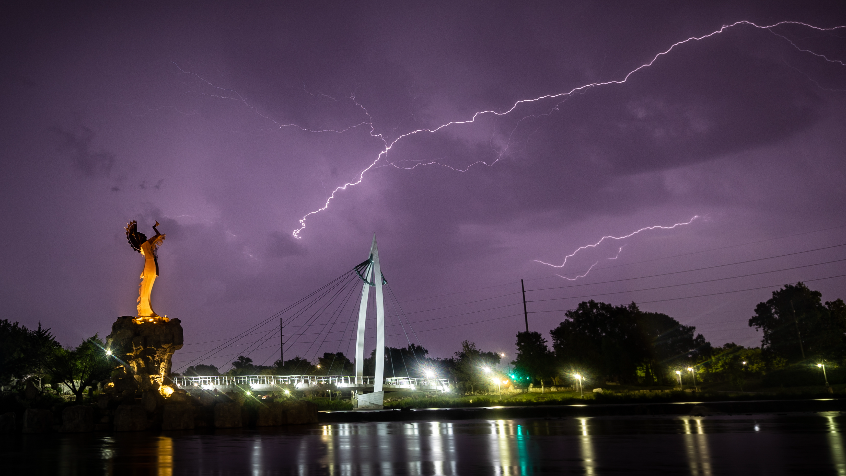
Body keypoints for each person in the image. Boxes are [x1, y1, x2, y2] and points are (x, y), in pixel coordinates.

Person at [126, 220, 167, 320]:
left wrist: (154, 228)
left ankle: (147, 309)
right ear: (141, 238)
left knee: (147, 287)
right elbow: (158, 236)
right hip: (150, 265)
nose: (145, 237)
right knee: (147, 287)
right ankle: (146, 310)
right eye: (143, 236)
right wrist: (154, 228)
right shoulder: (145, 245)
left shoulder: (146, 246)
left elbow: (157, 237)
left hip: (150, 265)